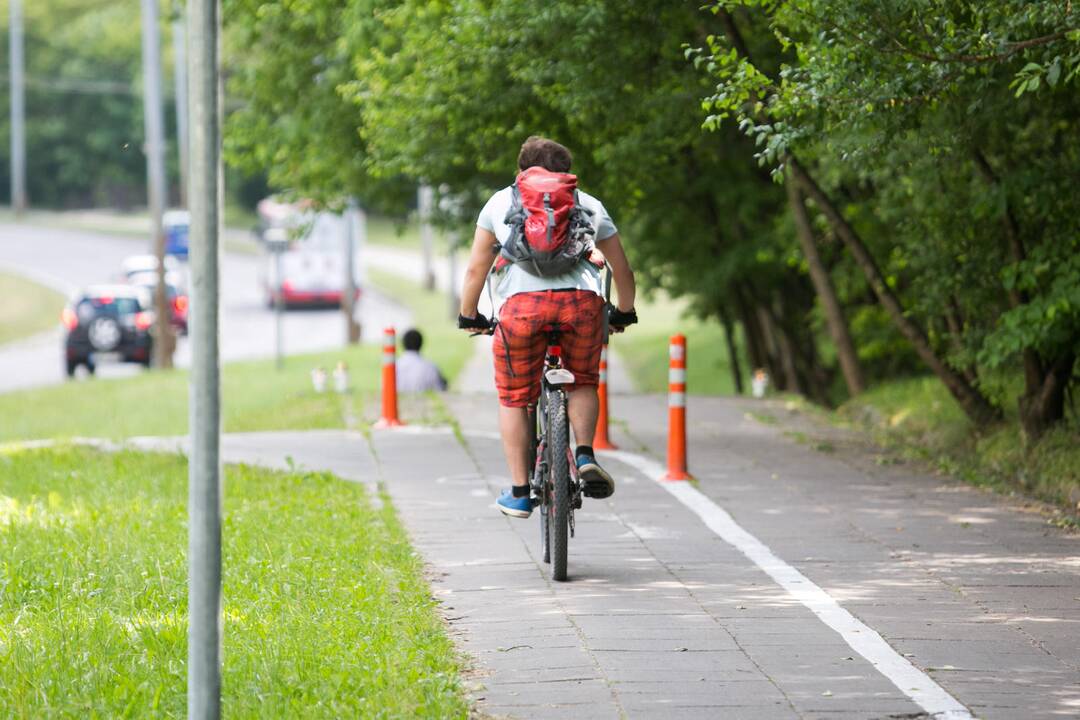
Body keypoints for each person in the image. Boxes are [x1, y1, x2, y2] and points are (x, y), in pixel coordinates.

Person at [457, 136, 637, 518]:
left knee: (514, 398)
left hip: (521, 311)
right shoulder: (589, 204)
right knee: (583, 380)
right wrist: (624, 311)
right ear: (567, 174)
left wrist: (468, 314)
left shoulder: (500, 203)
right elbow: (622, 270)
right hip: (582, 306)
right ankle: (585, 453)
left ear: (522, 171)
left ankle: (520, 492)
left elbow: (476, 269)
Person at [396, 328, 448, 393]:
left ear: (403, 344)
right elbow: (441, 389)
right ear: (421, 344)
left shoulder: (393, 367)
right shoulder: (431, 367)